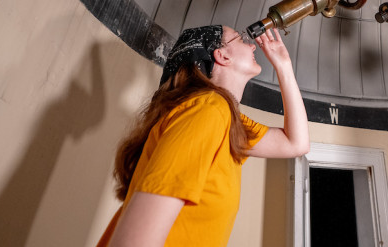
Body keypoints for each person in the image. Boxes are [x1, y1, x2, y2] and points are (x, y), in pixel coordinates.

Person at [96, 25, 309, 247]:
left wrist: (283, 66)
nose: (251, 44)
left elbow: (296, 143)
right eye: (239, 39)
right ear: (222, 55)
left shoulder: (223, 117)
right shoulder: (207, 110)